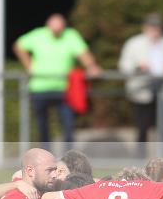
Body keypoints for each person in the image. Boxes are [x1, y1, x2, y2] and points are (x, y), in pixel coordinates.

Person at [13, 14, 101, 145]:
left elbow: (83, 53)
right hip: (39, 88)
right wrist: (29, 65)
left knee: (68, 126)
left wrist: (92, 66)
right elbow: (19, 46)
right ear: (48, 26)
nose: (56, 32)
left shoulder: (71, 35)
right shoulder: (38, 35)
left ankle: (68, 156)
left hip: (64, 89)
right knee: (42, 127)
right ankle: (45, 155)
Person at [119, 14, 163, 145]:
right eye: (152, 27)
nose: (155, 30)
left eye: (158, 27)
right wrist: (138, 66)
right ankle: (140, 156)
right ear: (145, 28)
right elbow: (124, 65)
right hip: (142, 91)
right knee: (142, 128)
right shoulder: (134, 43)